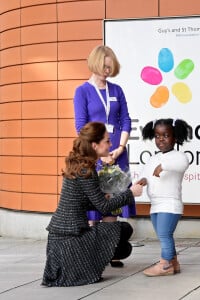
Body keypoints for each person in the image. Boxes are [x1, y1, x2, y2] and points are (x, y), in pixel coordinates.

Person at [41, 122, 143, 287]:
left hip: (61, 239)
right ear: (95, 145)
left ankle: (88, 261)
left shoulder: (80, 165)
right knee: (124, 235)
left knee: (123, 243)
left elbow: (83, 202)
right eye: (107, 141)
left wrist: (102, 197)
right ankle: (84, 265)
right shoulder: (86, 170)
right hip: (70, 240)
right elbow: (103, 207)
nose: (111, 144)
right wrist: (130, 193)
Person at [73, 45, 135, 267]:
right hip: (96, 156)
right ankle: (92, 253)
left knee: (114, 204)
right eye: (104, 66)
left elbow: (126, 119)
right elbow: (81, 127)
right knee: (94, 206)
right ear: (95, 64)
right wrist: (99, 156)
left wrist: (120, 148)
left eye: (111, 67)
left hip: (117, 153)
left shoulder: (117, 90)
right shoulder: (82, 91)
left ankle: (111, 250)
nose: (108, 71)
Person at [137, 118, 190, 276]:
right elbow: (145, 174)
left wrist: (164, 166)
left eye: (165, 135)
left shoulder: (178, 156)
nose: (161, 139)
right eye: (157, 136)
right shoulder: (153, 159)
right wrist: (142, 181)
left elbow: (183, 164)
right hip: (156, 205)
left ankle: (164, 265)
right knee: (164, 234)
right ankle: (174, 262)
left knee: (164, 234)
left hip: (170, 204)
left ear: (175, 137)